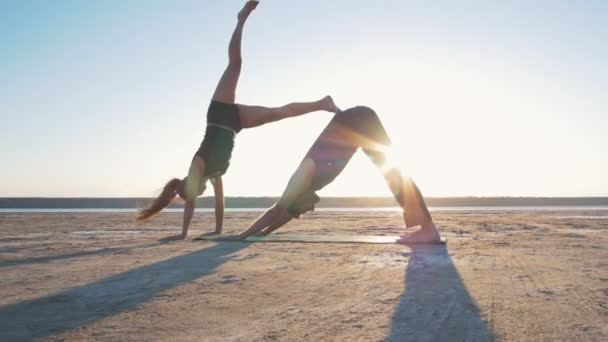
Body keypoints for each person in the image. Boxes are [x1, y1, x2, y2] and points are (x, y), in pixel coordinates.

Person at [135, 1, 340, 238]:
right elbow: (220, 202)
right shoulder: (213, 174)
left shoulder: (198, 165)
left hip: (218, 115)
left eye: (194, 192)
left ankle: (241, 18)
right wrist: (217, 230)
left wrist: (183, 234)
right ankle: (323, 103)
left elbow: (190, 203)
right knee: (279, 113)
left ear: (187, 186)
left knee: (235, 64)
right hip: (233, 125)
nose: (198, 192)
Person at [236, 106, 442, 244]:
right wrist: (264, 234)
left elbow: (278, 209)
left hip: (357, 120)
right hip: (358, 125)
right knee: (391, 171)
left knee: (391, 171)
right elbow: (286, 213)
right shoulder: (308, 188)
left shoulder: (302, 175)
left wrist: (243, 235)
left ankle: (428, 229)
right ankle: (427, 228)